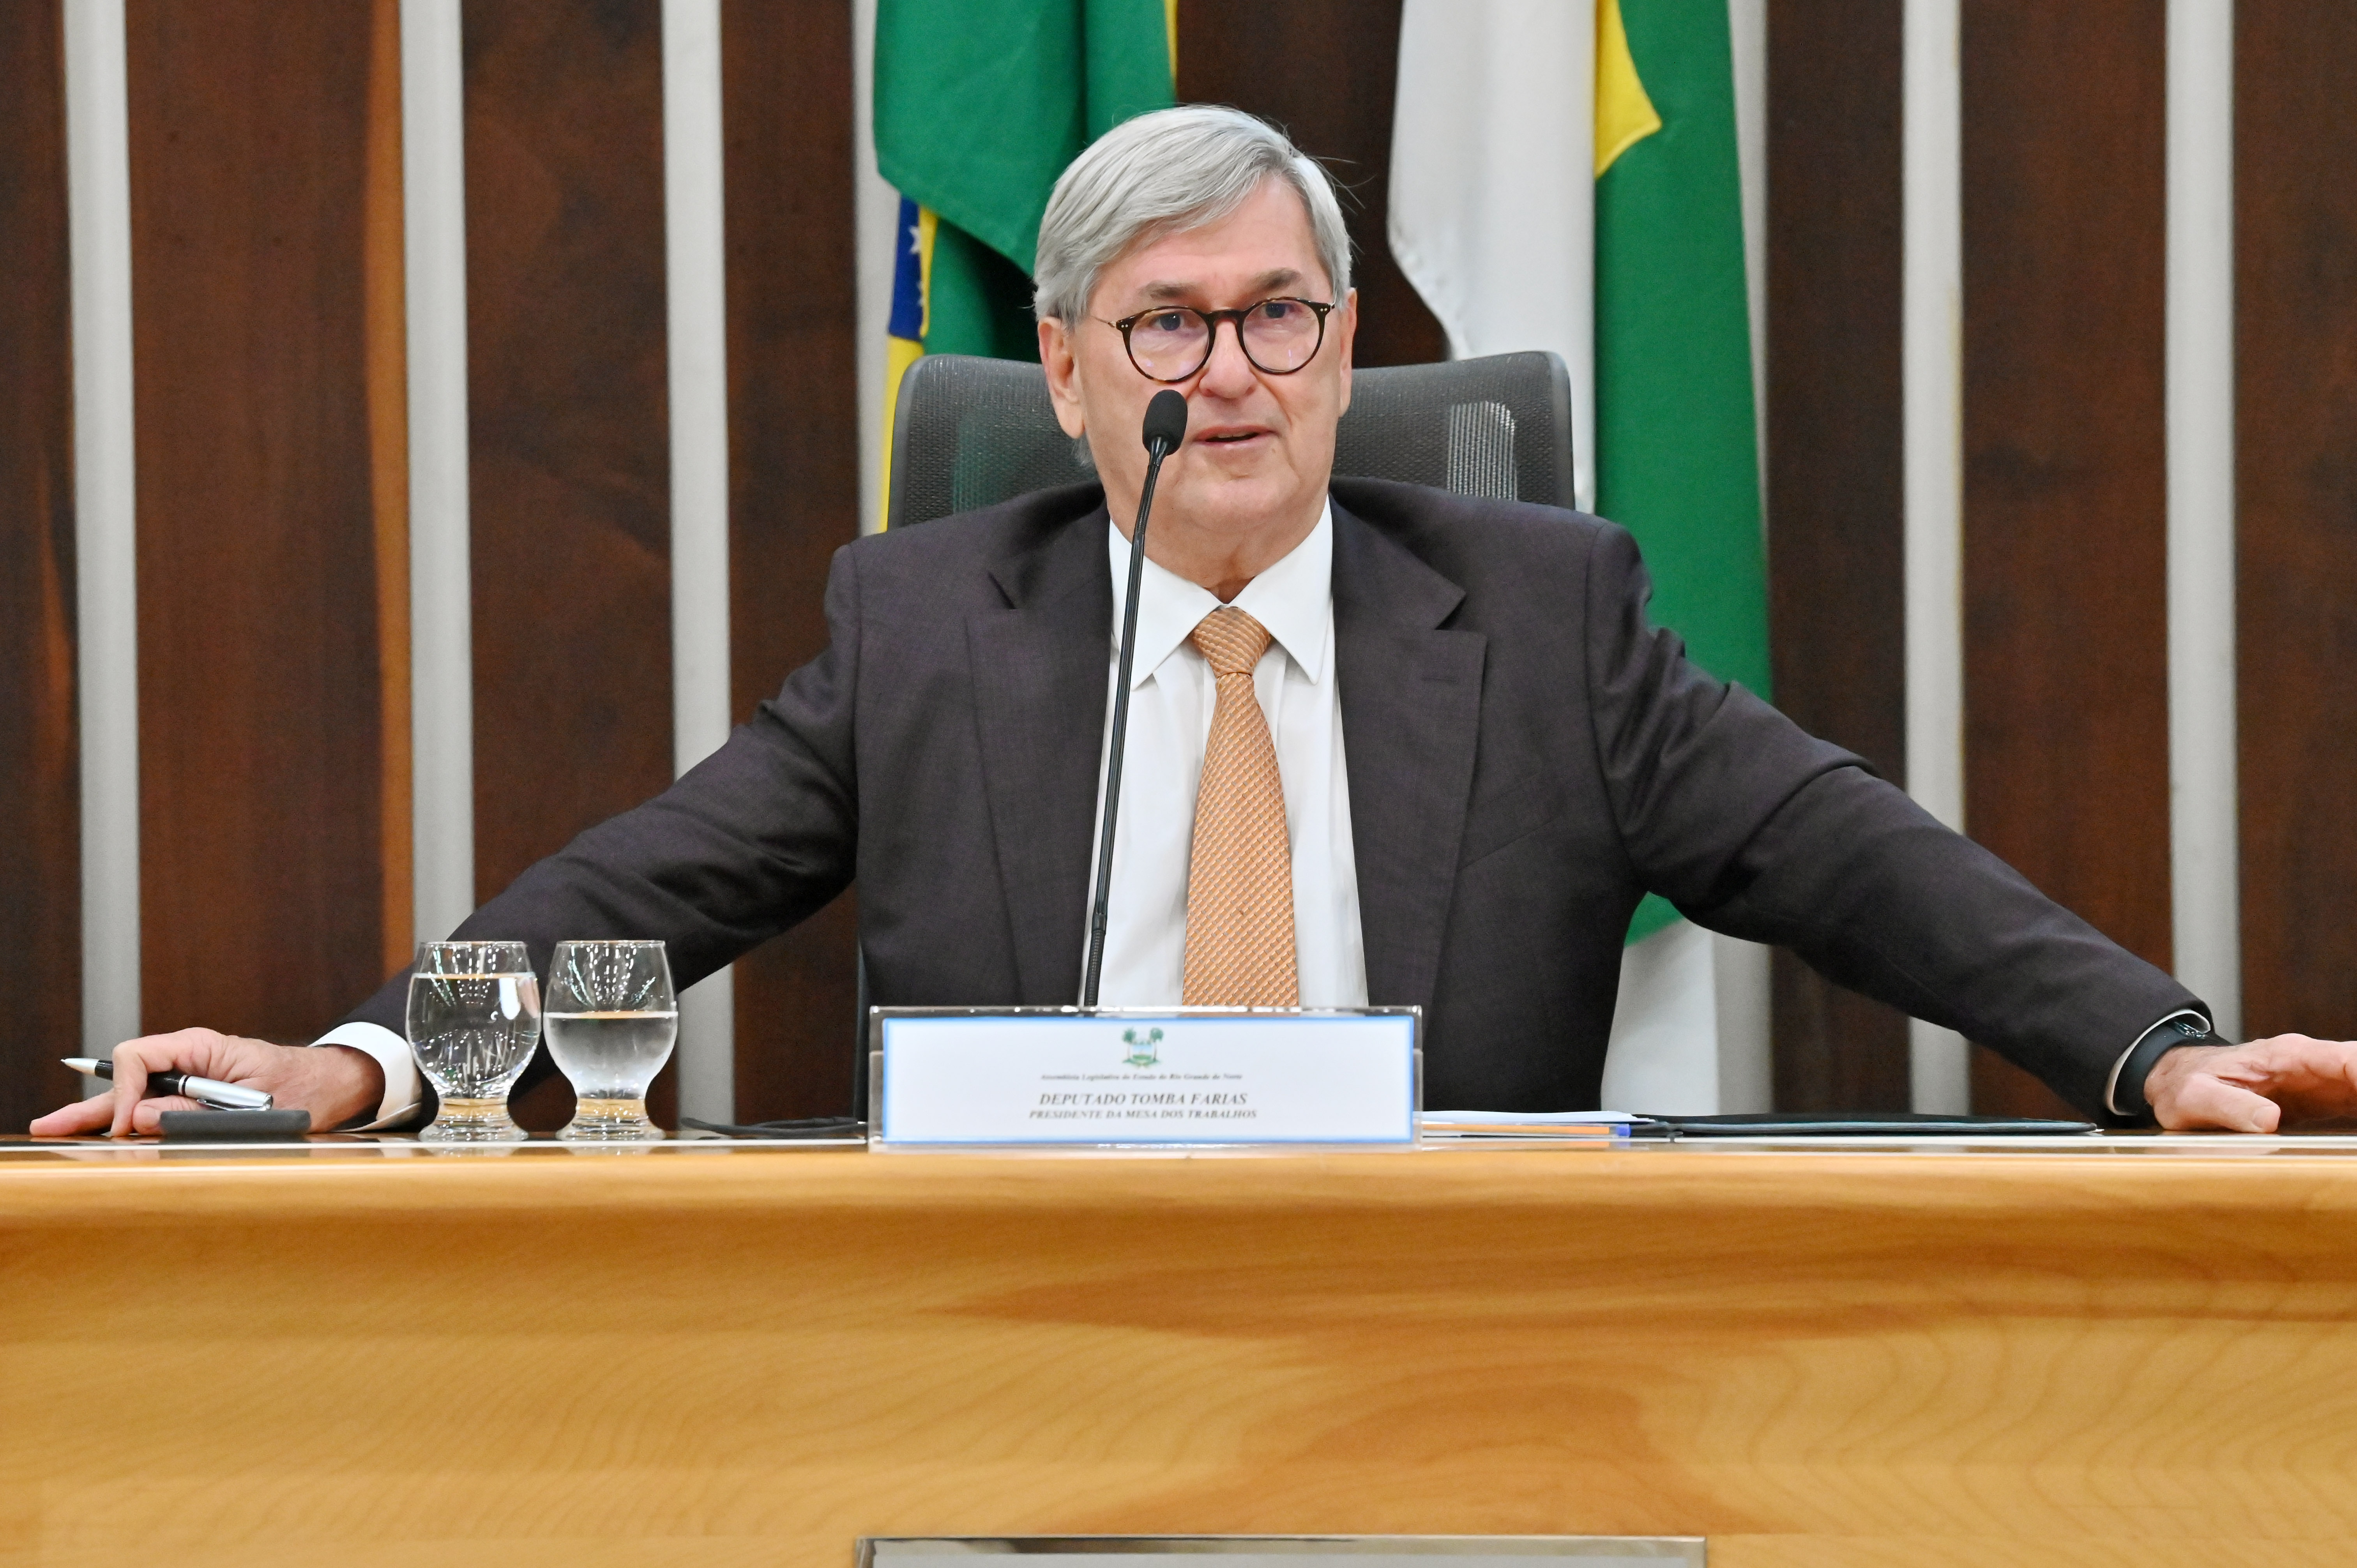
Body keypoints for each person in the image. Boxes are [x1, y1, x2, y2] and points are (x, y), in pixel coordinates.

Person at [35, 106, 2357, 1140]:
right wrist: (357, 1059)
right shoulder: (935, 618)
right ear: (1061, 374)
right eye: (1164, 325)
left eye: (1278, 316)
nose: (1226, 374)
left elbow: (1854, 855)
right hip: (1023, 1335)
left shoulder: (1542, 611)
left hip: (1460, 1347)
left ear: (1348, 351)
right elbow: (652, 882)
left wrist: (2155, 1048)